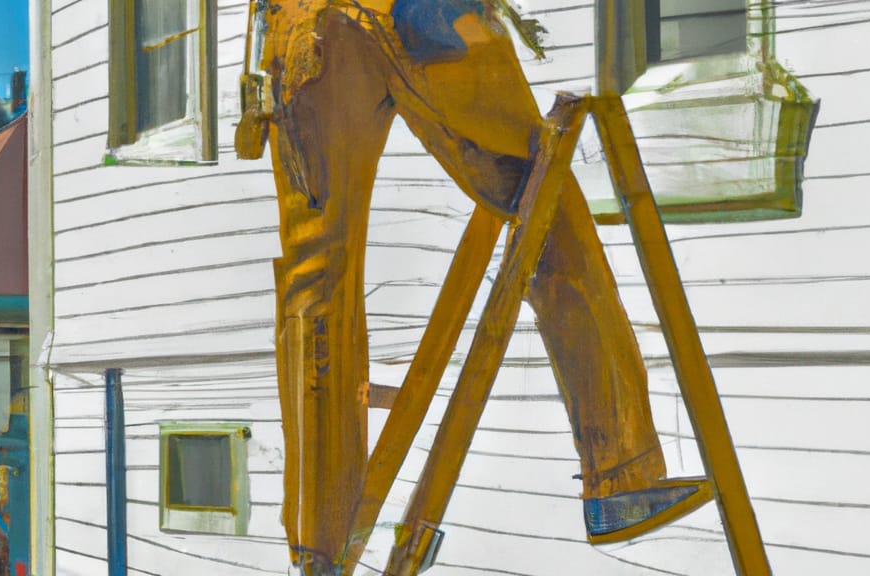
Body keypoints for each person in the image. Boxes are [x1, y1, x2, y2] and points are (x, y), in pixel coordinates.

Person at [240, 0, 711, 572]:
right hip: (418, 14)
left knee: (315, 275)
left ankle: (317, 546)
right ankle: (620, 472)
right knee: (545, 195)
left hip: (297, 30)